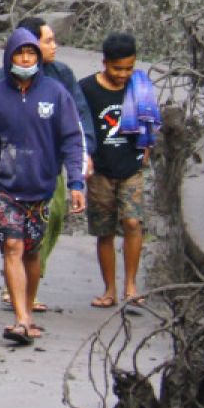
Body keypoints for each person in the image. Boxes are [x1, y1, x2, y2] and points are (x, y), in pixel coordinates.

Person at [0, 28, 87, 345]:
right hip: (4, 189)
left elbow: (73, 140)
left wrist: (75, 182)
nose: (25, 59)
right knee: (13, 247)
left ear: (38, 58)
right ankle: (20, 319)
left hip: (42, 188)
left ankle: (28, 313)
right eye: (20, 54)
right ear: (9, 57)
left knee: (32, 255)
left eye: (31, 54)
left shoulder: (56, 94)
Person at [0, 17, 97, 312]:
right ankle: (16, 284)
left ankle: (29, 275)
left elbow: (79, 117)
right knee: (12, 226)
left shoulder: (62, 75)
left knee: (54, 216)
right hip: (11, 163)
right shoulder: (2, 78)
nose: (55, 46)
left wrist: (84, 154)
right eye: (48, 40)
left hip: (50, 161)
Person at [79, 32, 153, 308]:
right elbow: (79, 125)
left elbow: (148, 119)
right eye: (117, 68)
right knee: (105, 230)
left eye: (129, 68)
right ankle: (109, 289)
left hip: (131, 167)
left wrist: (147, 147)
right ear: (104, 63)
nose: (123, 74)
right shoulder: (86, 89)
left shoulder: (140, 86)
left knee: (133, 222)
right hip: (100, 170)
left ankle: (131, 286)